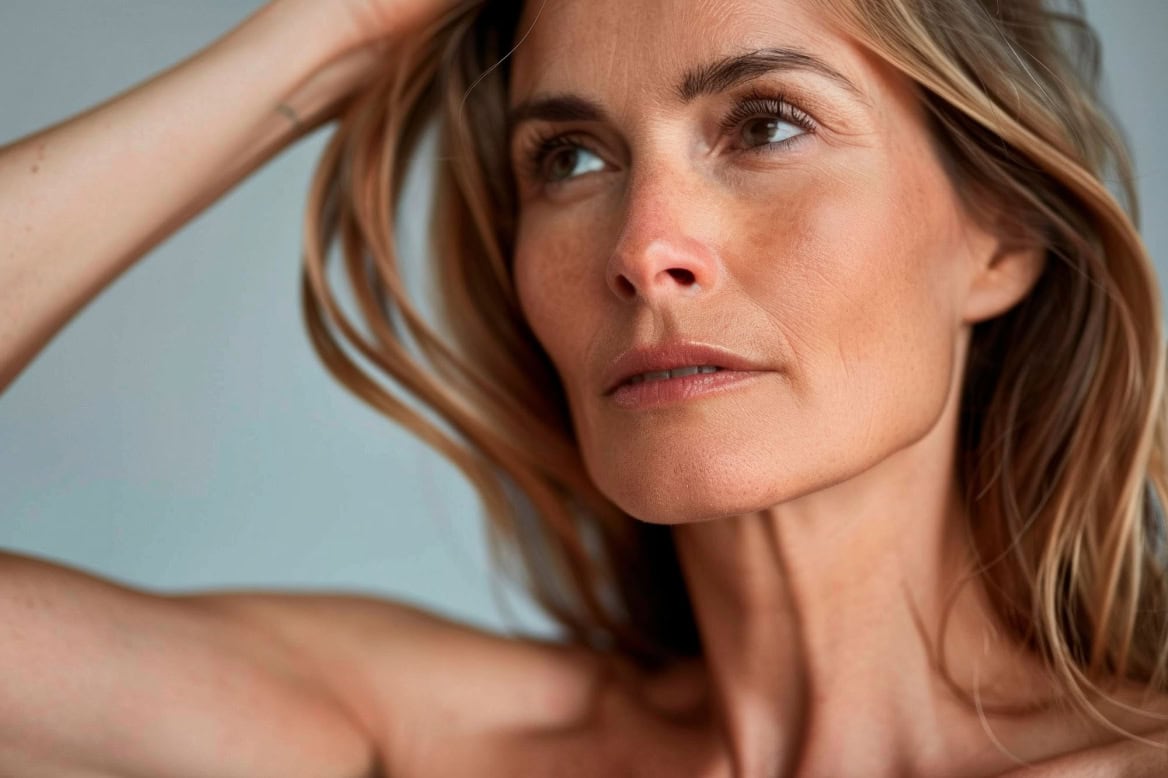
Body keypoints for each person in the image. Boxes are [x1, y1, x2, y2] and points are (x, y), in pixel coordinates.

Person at [1, 0, 1166, 774]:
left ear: (999, 233)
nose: (643, 245)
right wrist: (341, 33)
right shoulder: (425, 745)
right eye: (570, 157)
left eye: (765, 126)